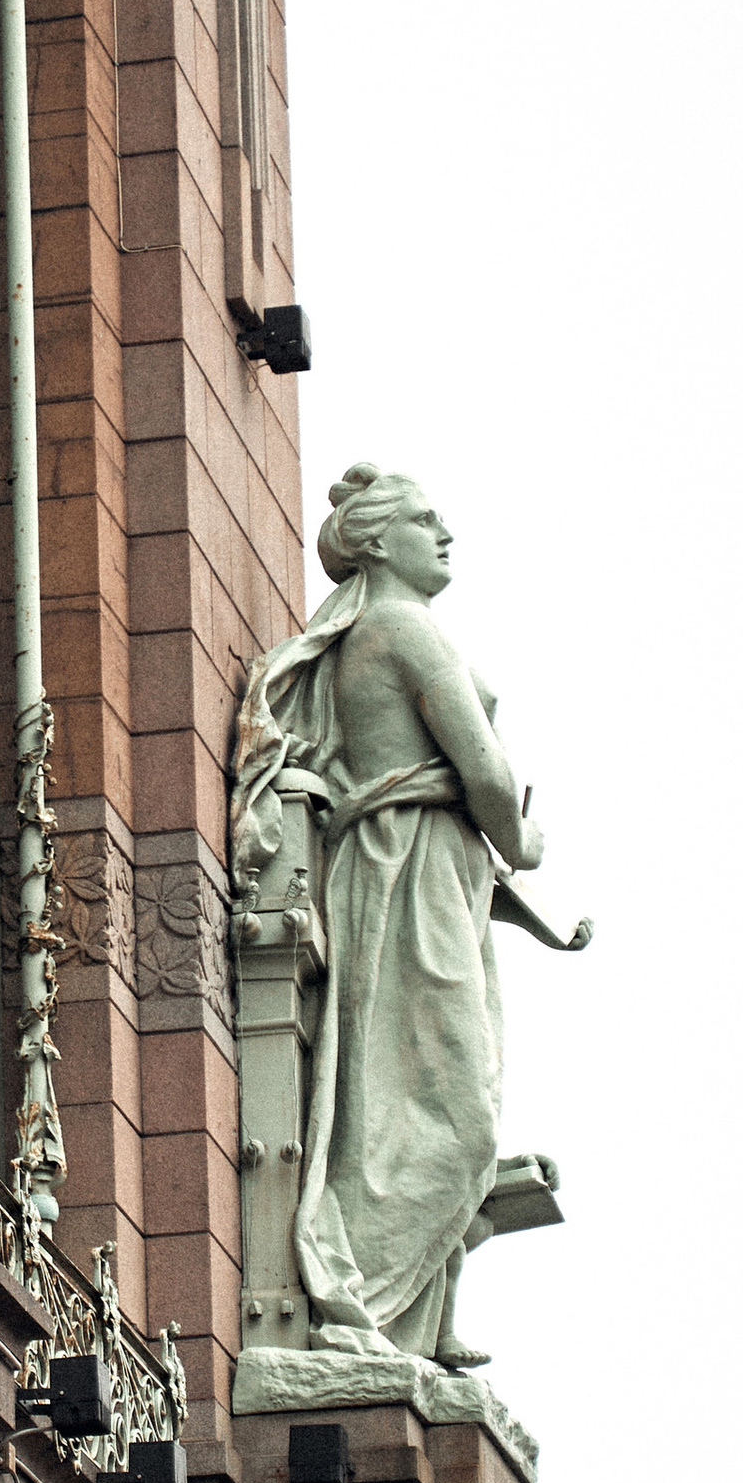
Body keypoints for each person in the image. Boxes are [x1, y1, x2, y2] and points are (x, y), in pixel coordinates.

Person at [232, 464, 544, 1367]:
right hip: (411, 867)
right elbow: (485, 774)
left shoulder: (380, 629)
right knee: (448, 1108)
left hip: (415, 866)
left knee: (407, 1095)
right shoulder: (406, 628)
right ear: (375, 541)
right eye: (422, 519)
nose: (444, 532)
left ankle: (405, 1318)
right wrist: (527, 844)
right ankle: (364, 1305)